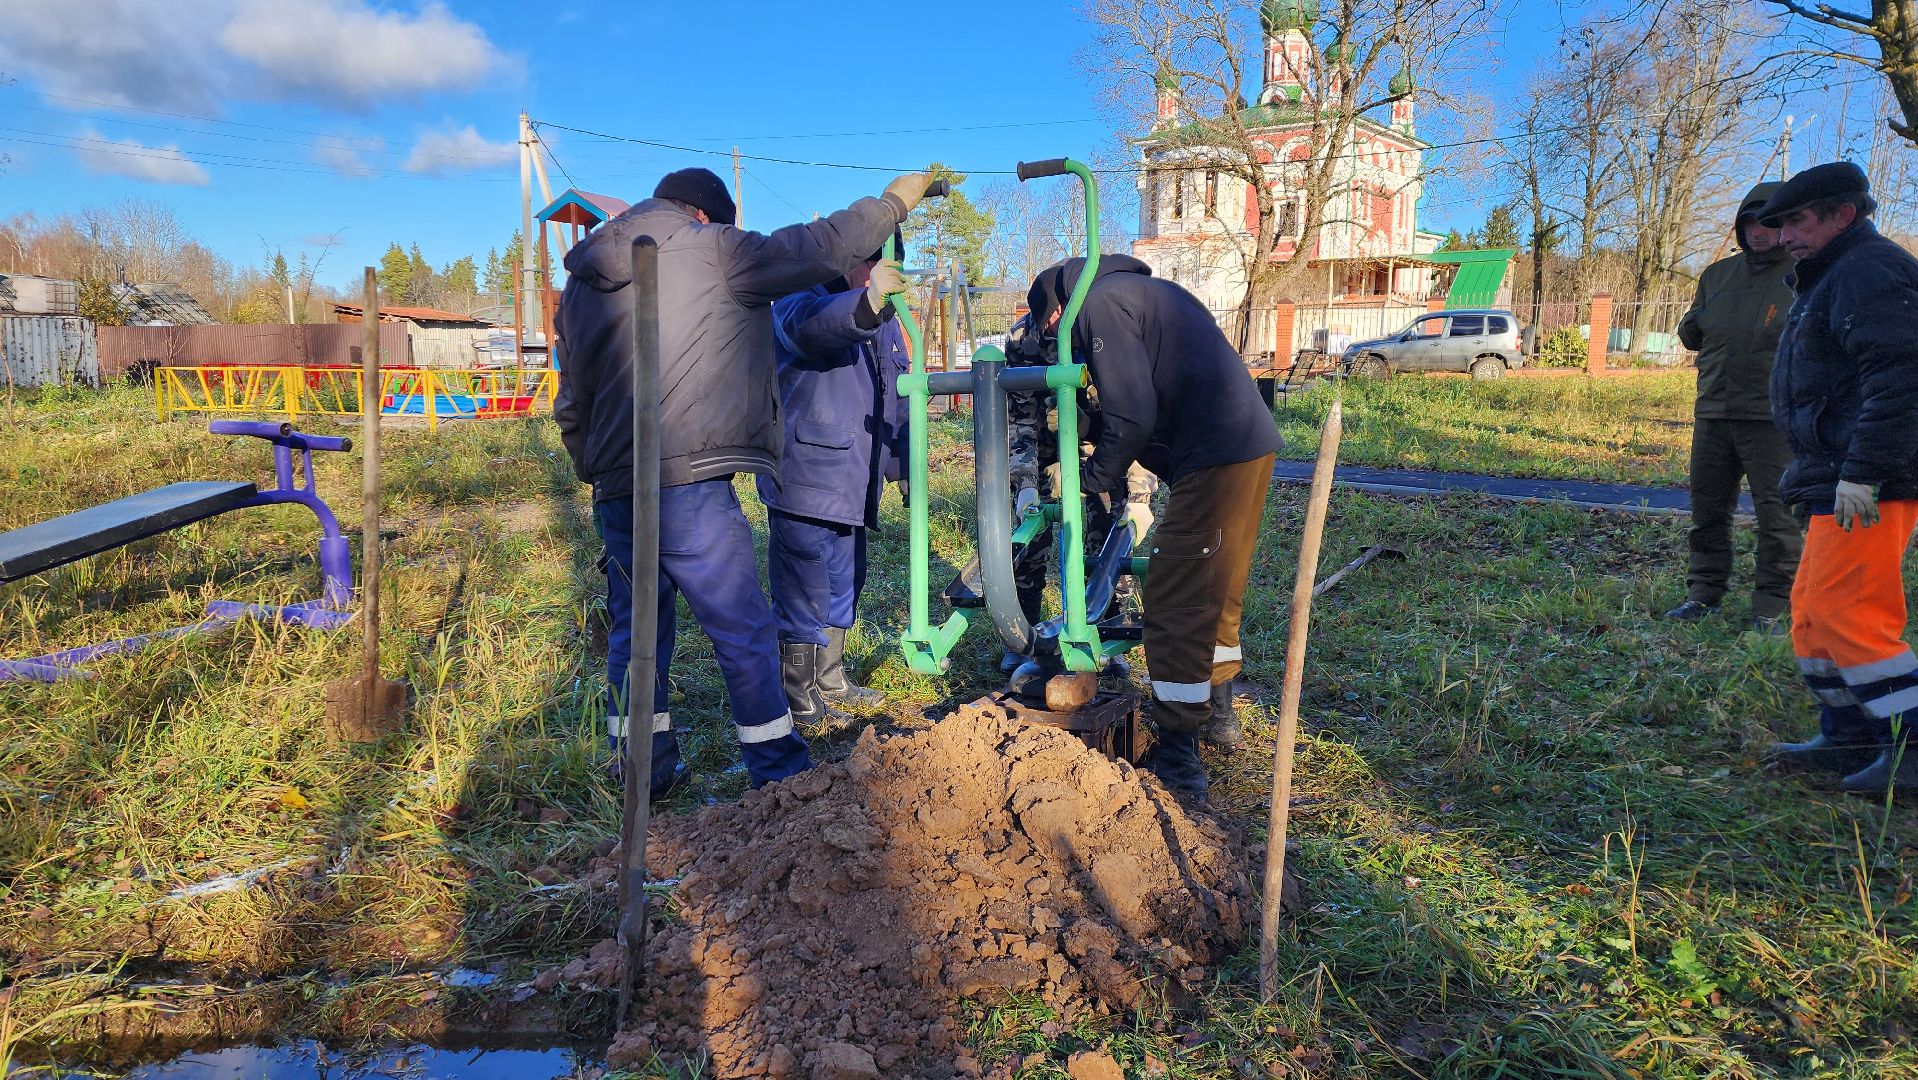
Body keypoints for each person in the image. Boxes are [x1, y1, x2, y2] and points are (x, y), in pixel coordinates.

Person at [555, 166, 933, 794]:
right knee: (742, 629)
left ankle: (642, 769)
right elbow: (818, 247)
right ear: (705, 215)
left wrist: (594, 472)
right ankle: (778, 771)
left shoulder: (582, 276)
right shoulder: (712, 250)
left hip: (616, 483)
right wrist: (892, 204)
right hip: (690, 481)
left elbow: (571, 400)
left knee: (635, 630)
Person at [1024, 254, 1282, 801]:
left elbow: (1134, 415)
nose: (1059, 340)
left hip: (1213, 455)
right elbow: (1150, 398)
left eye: (1051, 327)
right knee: (1214, 589)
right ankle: (1219, 715)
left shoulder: (1098, 304)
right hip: (1246, 446)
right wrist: (1086, 425)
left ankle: (1179, 759)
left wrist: (1092, 476)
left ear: (1057, 308)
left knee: (1174, 595)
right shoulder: (1142, 294)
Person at [1756, 161, 1918, 795]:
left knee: (1848, 613)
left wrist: (1864, 473)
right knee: (1813, 616)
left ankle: (1912, 746)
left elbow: (1901, 380)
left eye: (1797, 221)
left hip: (1871, 481)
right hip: (1837, 475)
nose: (1785, 236)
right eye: (1780, 224)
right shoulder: (1833, 276)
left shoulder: (1871, 272)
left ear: (1843, 214)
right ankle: (1848, 736)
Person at [756, 231, 911, 730]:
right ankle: (797, 698)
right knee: (802, 587)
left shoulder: (884, 316)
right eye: (873, 265)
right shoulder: (800, 299)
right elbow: (811, 330)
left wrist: (903, 466)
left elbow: (897, 393)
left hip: (854, 480)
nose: (879, 278)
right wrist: (867, 303)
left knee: (845, 580)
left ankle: (830, 678)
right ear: (849, 260)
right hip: (806, 478)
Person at [1669, 182, 1802, 630]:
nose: (1758, 232)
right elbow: (1691, 333)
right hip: (1714, 411)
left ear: (1784, 224)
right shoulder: (1717, 276)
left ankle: (1771, 607)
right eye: (1749, 224)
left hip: (1772, 419)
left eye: (1768, 222)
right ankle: (1703, 594)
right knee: (1707, 512)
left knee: (1777, 517)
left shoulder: (1803, 272)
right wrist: (1695, 321)